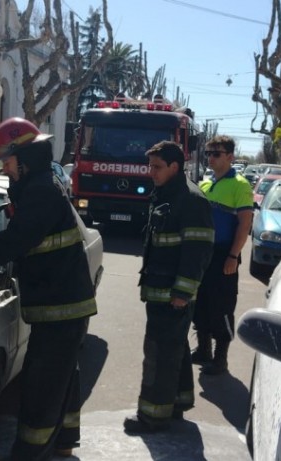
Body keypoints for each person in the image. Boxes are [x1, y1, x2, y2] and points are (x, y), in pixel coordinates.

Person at [0, 117, 97, 460]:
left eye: (7, 162)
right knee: (62, 377)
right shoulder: (37, 186)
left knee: (42, 385)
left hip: (59, 305)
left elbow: (16, 242)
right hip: (62, 303)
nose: (4, 170)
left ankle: (29, 451)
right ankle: (65, 442)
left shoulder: (39, 191)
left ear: (26, 156)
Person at [122, 141, 214, 434]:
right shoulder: (166, 193)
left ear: (175, 167)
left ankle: (153, 417)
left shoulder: (191, 199)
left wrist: (182, 293)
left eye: (157, 167)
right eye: (150, 166)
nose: (151, 172)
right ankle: (177, 401)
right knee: (174, 348)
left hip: (172, 295)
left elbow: (197, 251)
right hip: (161, 291)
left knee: (160, 354)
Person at [191, 135, 253, 375]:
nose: (211, 158)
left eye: (216, 153)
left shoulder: (240, 185)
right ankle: (203, 349)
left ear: (230, 157)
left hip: (224, 254)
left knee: (222, 306)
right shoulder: (206, 184)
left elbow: (244, 225)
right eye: (208, 153)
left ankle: (220, 358)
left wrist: (233, 256)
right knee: (201, 303)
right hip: (203, 254)